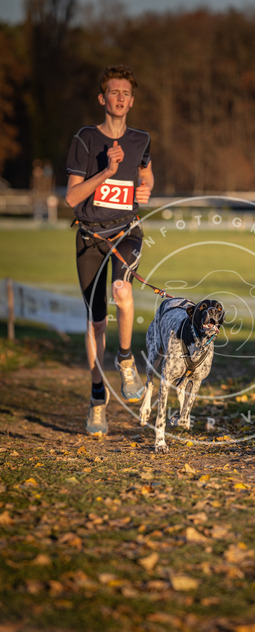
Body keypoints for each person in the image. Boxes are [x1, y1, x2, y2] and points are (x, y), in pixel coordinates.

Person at [66, 65, 154, 435]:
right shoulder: (86, 139)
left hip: (125, 233)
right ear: (102, 99)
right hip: (89, 238)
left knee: (122, 290)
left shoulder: (141, 139)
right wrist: (106, 171)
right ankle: (97, 397)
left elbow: (146, 173)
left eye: (125, 93)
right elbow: (72, 197)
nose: (120, 98)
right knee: (97, 321)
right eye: (113, 92)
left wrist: (146, 188)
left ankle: (126, 360)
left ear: (132, 102)